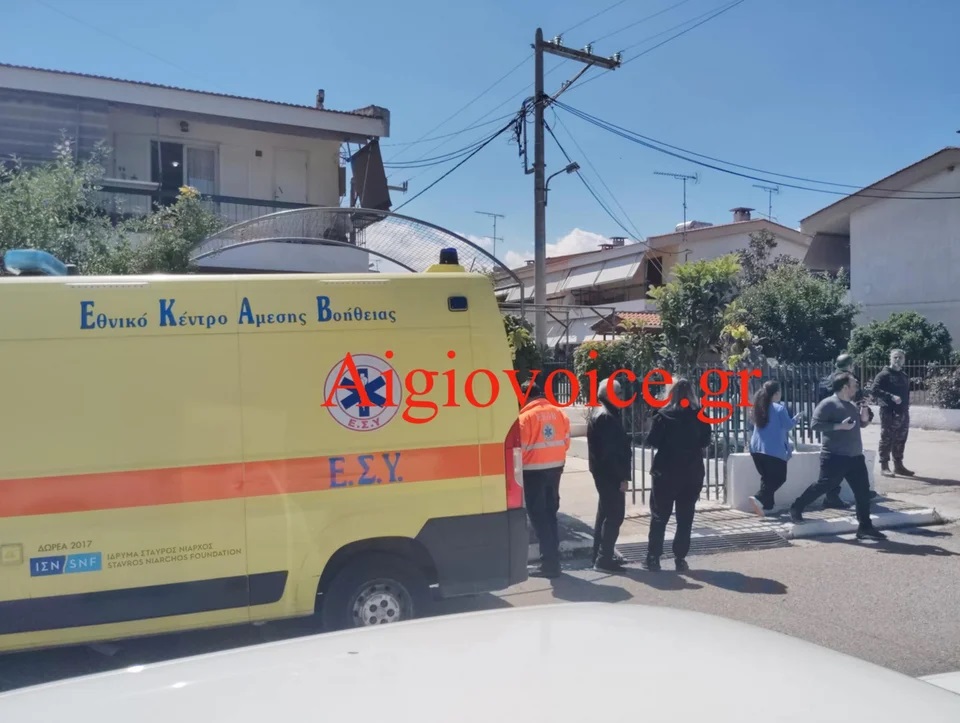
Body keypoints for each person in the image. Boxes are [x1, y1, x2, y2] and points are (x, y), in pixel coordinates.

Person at [789, 373, 886, 541]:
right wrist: (839, 426)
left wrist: (864, 408)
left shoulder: (851, 405)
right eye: (854, 385)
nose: (857, 388)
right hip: (834, 456)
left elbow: (863, 423)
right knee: (824, 485)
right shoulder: (828, 404)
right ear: (845, 387)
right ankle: (797, 507)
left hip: (855, 457)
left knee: (863, 492)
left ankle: (865, 527)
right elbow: (815, 425)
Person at [643, 378, 713, 572]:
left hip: (665, 472)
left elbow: (652, 441)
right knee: (685, 516)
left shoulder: (663, 415)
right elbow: (705, 441)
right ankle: (680, 558)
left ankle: (653, 557)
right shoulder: (700, 415)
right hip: (691, 472)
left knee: (659, 515)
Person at [518, 381, 571, 579]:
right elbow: (566, 443)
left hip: (533, 472)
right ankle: (553, 561)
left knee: (539, 519)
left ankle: (550, 565)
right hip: (555, 470)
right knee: (550, 516)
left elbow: (520, 450)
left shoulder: (525, 418)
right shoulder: (559, 413)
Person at [587, 377, 632, 573]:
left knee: (605, 514)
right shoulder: (606, 416)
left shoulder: (603, 412)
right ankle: (603, 559)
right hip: (609, 474)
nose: (622, 397)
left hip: (603, 472)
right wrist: (622, 478)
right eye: (619, 393)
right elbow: (611, 453)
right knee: (615, 515)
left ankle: (600, 555)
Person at [747, 380, 803, 516]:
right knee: (779, 478)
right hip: (773, 450)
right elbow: (788, 425)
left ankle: (768, 506)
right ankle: (759, 498)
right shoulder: (779, 408)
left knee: (767, 478)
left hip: (756, 449)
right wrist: (796, 419)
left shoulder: (757, 407)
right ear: (776, 393)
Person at [870, 348, 914, 477]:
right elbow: (874, 390)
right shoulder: (883, 375)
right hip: (888, 411)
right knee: (887, 438)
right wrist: (891, 396)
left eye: (900, 357)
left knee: (901, 438)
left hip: (903, 412)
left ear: (904, 360)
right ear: (890, 358)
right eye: (895, 357)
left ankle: (898, 465)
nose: (897, 359)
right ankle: (884, 466)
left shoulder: (904, 376)